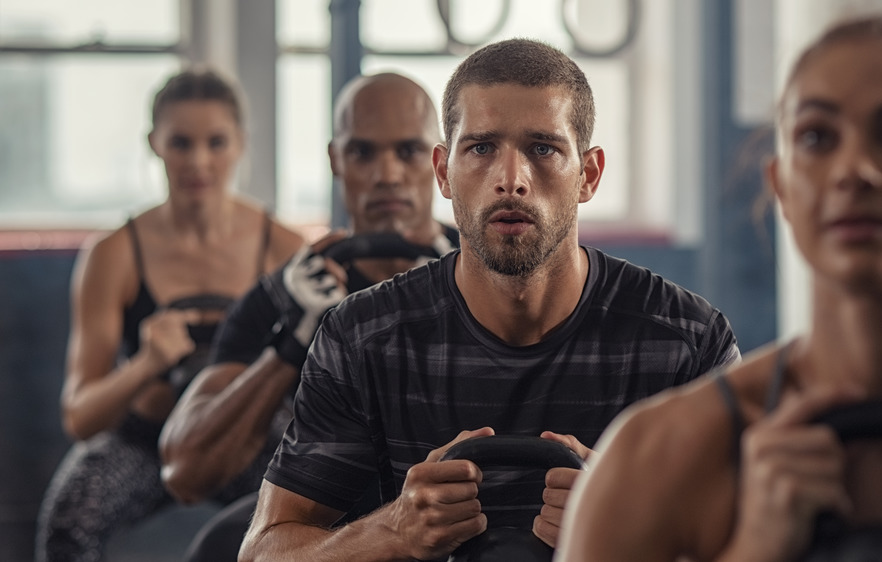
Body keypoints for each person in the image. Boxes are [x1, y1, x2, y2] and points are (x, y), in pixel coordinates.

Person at [238, 38, 741, 562]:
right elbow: (263, 552)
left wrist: (634, 525)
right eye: (481, 148)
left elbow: (759, 541)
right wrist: (392, 530)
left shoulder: (687, 341)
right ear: (443, 173)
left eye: (542, 148)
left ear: (588, 174)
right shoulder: (363, 337)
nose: (510, 181)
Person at [558, 15, 882, 562]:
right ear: (781, 186)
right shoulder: (657, 454)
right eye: (816, 137)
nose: (855, 169)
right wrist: (750, 551)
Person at [157, 72, 460, 561]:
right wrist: (294, 341)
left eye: (406, 151)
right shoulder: (285, 297)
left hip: (463, 510)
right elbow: (185, 471)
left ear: (439, 160)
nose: (386, 175)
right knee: (218, 547)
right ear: (336, 159)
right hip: (330, 526)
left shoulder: (485, 268)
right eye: (363, 153)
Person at [35, 68, 304, 562]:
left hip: (241, 436)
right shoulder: (114, 253)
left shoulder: (282, 248)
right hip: (145, 439)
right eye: (181, 143)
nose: (198, 161)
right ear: (154, 143)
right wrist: (145, 364)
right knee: (69, 524)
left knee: (320, 508)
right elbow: (79, 416)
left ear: (240, 143)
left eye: (216, 142)